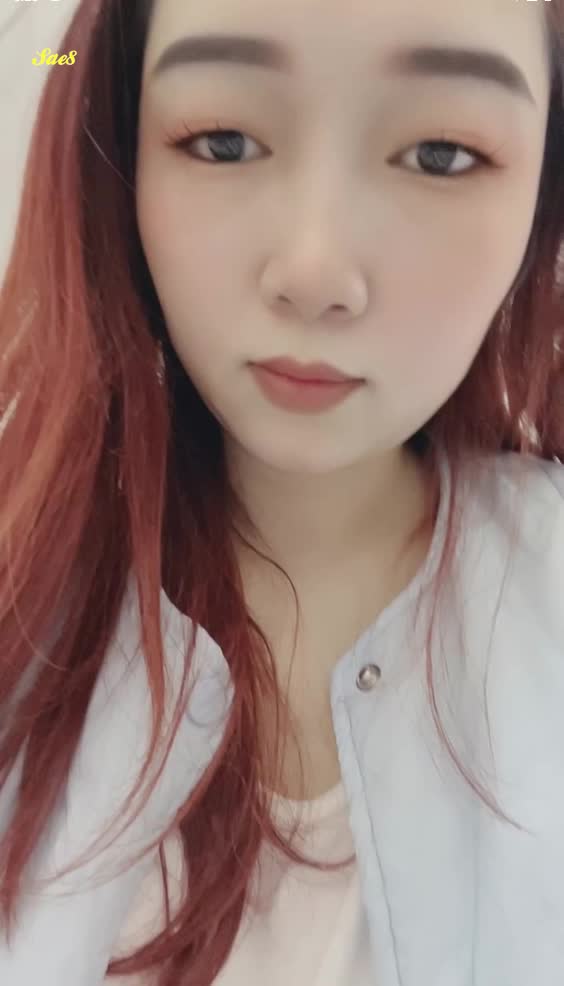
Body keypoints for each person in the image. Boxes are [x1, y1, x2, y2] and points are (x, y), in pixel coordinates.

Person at [0, 0, 564, 982]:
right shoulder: (25, 581)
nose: (315, 271)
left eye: (441, 155)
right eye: (222, 139)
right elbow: (45, 54)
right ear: (122, 149)